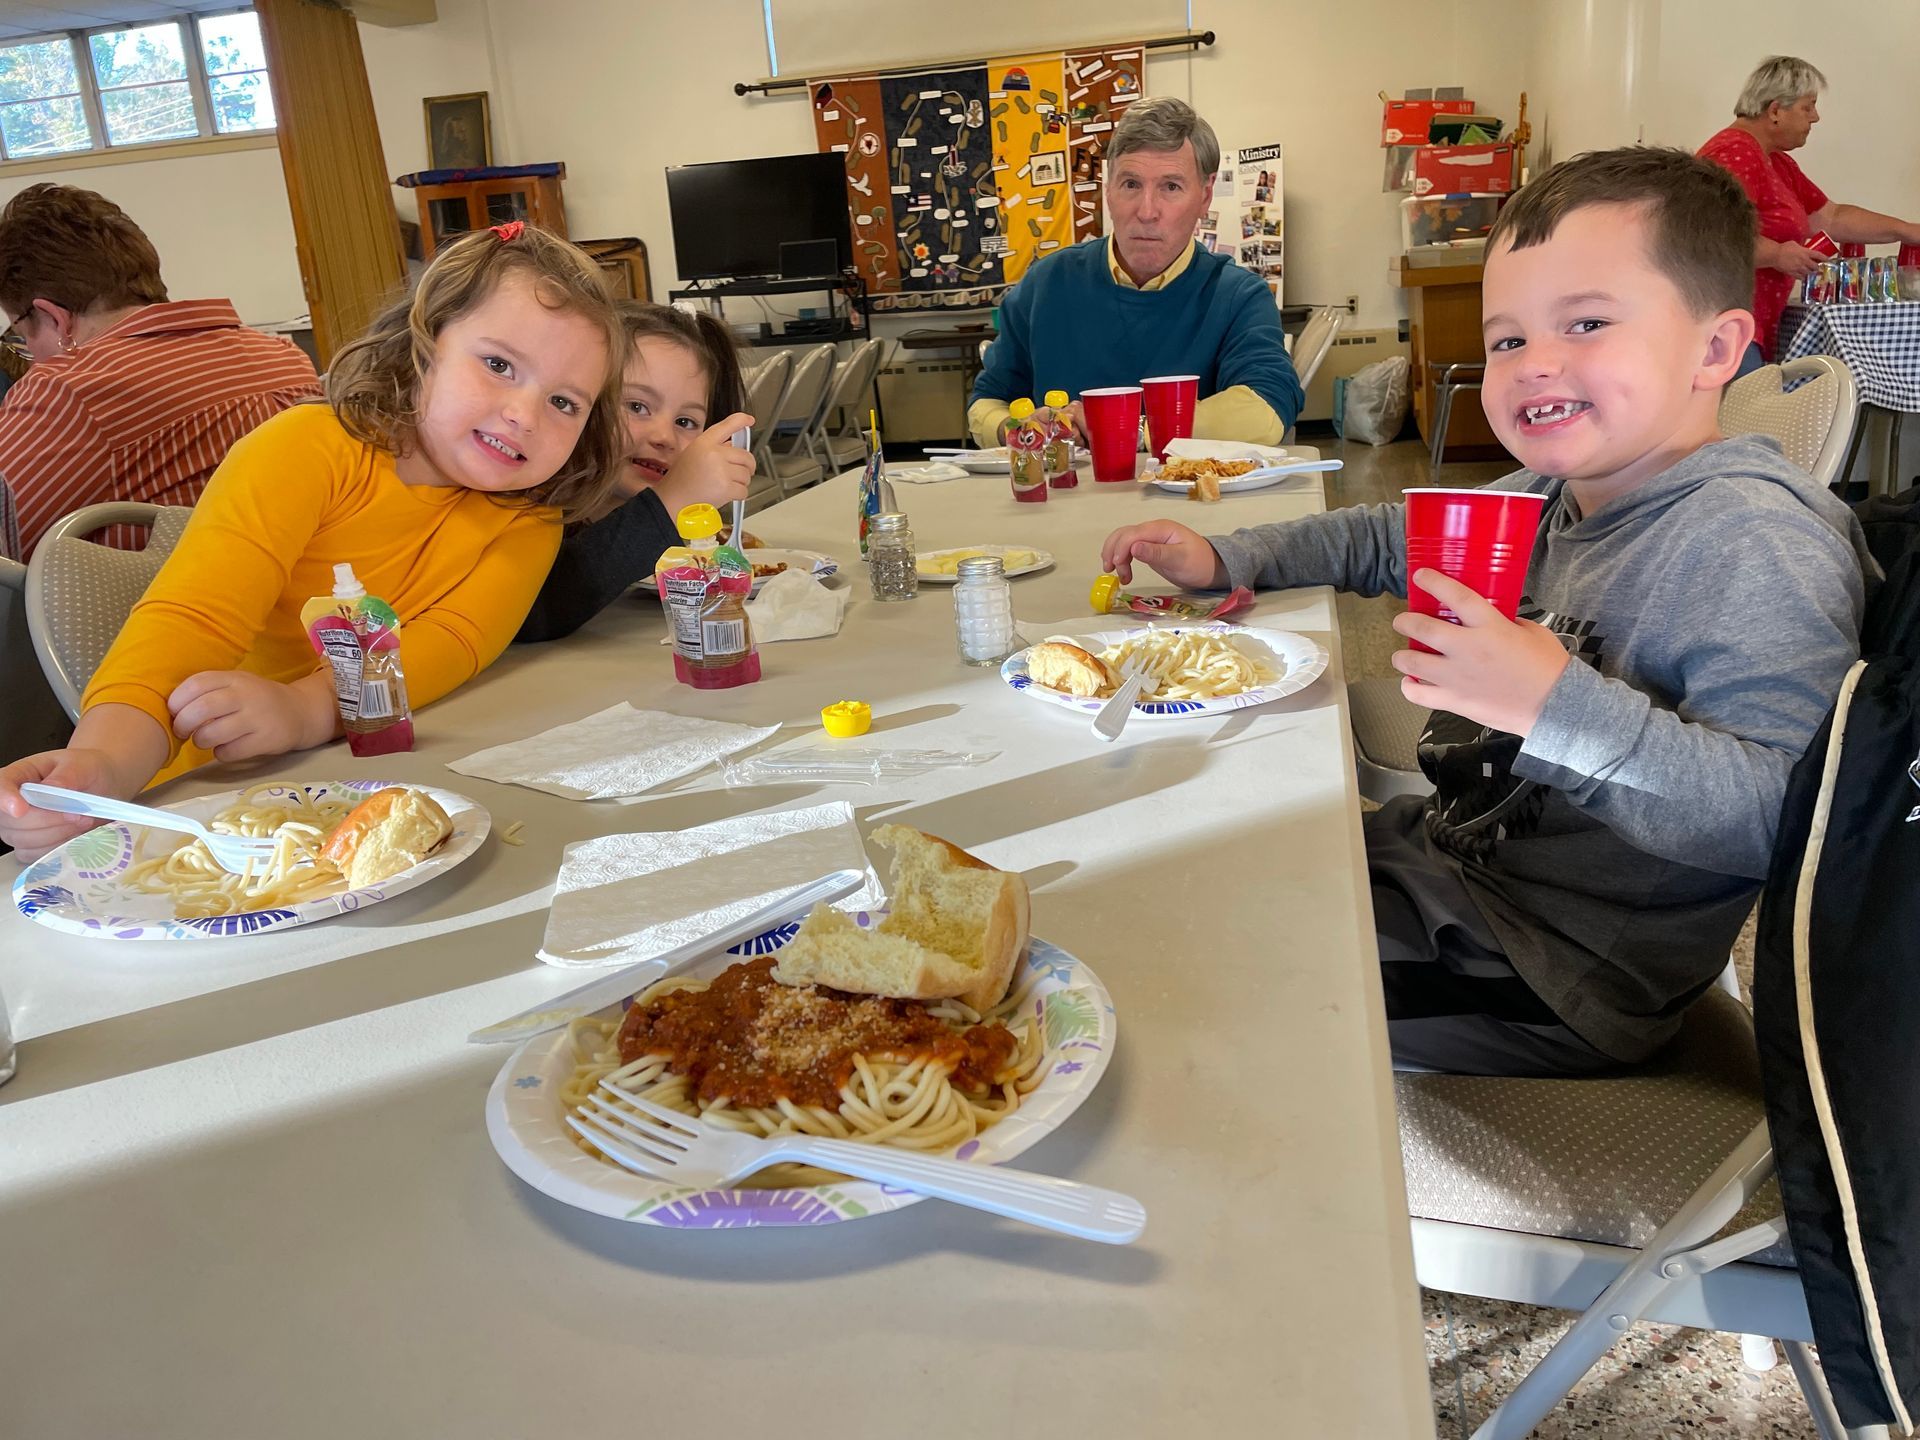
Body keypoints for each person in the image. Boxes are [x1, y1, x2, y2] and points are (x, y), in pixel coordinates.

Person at [1098, 148, 1873, 1076]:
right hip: (1454, 866)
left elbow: (1791, 823)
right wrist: (1229, 555)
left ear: (1715, 349)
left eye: (1586, 324)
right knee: (1178, 856)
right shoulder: (1549, 495)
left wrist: (1554, 707)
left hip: (1554, 970)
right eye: (1507, 340)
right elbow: (1386, 535)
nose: (1535, 365)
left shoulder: (1754, 541)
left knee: (1172, 969)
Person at [0, 222, 626, 860]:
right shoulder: (306, 449)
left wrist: (310, 709)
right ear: (425, 342)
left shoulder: (530, 515)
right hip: (210, 807)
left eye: (565, 402)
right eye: (498, 365)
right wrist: (101, 765)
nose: (524, 414)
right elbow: (187, 623)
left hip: (369, 789)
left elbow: (453, 642)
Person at [0, 183, 321, 560]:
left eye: (21, 334)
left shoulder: (67, 390)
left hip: (158, 596)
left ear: (55, 318)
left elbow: (9, 547)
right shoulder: (284, 357)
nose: (31, 358)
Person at [968, 97, 1301, 449]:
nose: (1146, 211)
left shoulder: (1238, 296)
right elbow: (987, 401)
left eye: (1171, 187)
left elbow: (1268, 404)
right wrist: (1016, 429)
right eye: (1130, 184)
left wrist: (1129, 429)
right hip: (1066, 483)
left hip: (1186, 485)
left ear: (1205, 197)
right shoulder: (1046, 284)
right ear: (1108, 190)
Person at [517, 301, 755, 642]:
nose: (664, 437)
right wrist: (669, 502)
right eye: (637, 406)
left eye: (685, 421)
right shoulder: (527, 509)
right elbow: (532, 613)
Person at [1697, 56, 1920, 369]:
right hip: (1722, 326)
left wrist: (1904, 230)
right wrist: (1777, 254)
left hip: (1747, 324)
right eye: (1808, 106)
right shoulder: (1735, 151)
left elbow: (1831, 217)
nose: (1815, 117)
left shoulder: (1776, 161)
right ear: (1776, 110)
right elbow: (1715, 235)